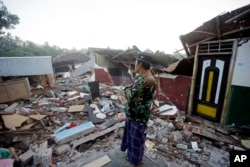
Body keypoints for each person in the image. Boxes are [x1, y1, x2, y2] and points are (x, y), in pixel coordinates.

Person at [121, 51, 156, 167]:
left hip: (139, 116)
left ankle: (136, 162)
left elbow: (130, 94)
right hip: (133, 113)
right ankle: (132, 158)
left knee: (136, 141)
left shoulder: (148, 79)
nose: (134, 65)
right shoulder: (140, 77)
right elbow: (131, 91)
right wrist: (130, 92)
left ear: (140, 64)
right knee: (131, 139)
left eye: (135, 63)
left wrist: (129, 92)